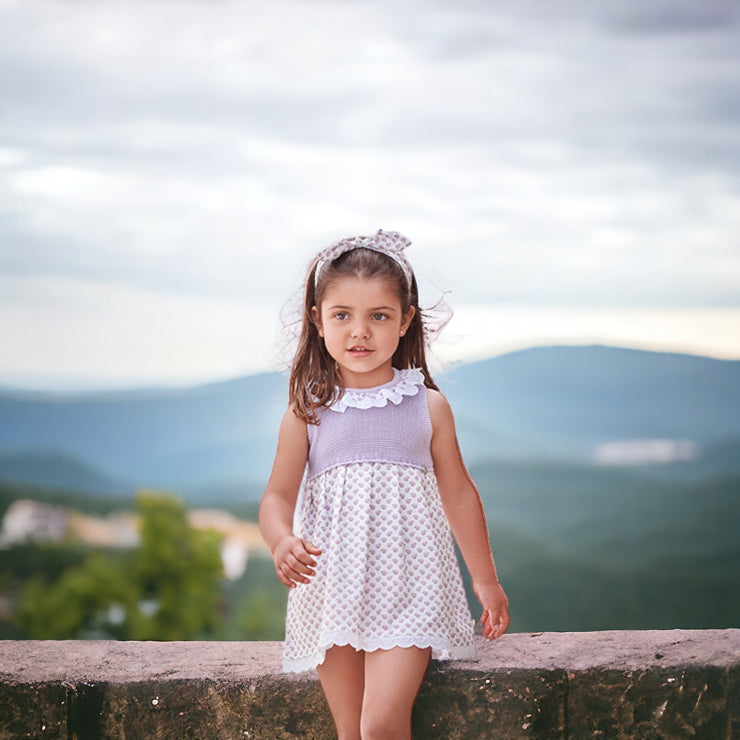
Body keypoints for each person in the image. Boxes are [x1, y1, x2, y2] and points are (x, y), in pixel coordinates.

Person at [259, 229, 509, 740]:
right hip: (333, 589)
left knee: (380, 725)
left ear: (405, 321)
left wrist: (485, 580)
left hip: (411, 585)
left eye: (379, 316)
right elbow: (277, 497)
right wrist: (281, 539)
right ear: (317, 320)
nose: (360, 332)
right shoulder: (307, 411)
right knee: (350, 732)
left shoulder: (427, 406)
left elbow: (459, 493)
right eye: (342, 315)